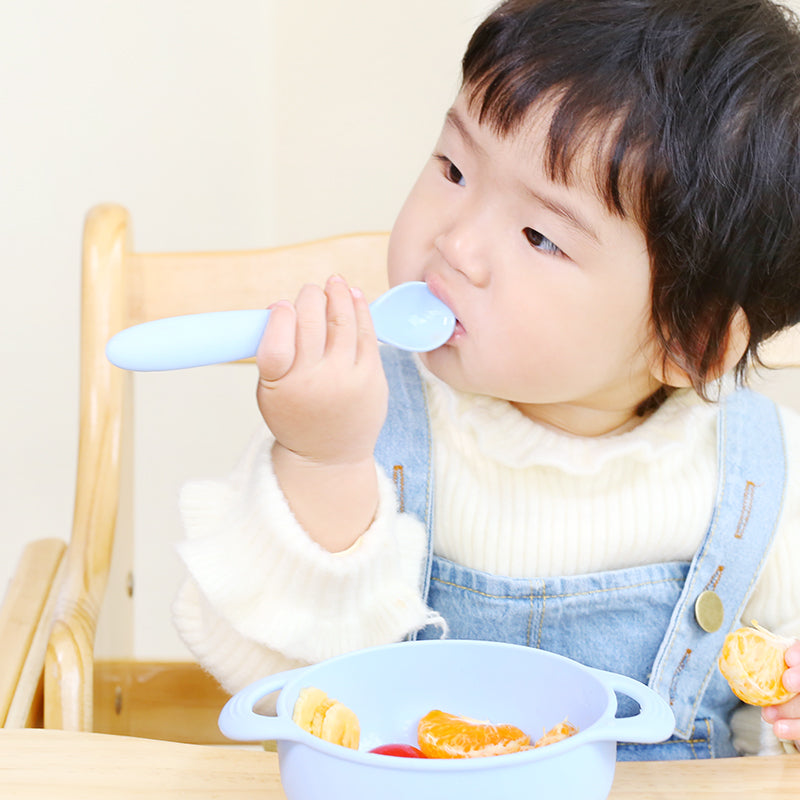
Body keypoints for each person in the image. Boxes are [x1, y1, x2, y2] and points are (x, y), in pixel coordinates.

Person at [172, 0, 800, 760]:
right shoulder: (360, 416)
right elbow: (275, 684)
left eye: (540, 235)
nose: (457, 243)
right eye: (454, 168)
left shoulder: (765, 485)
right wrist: (322, 462)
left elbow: (762, 726)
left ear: (689, 340)